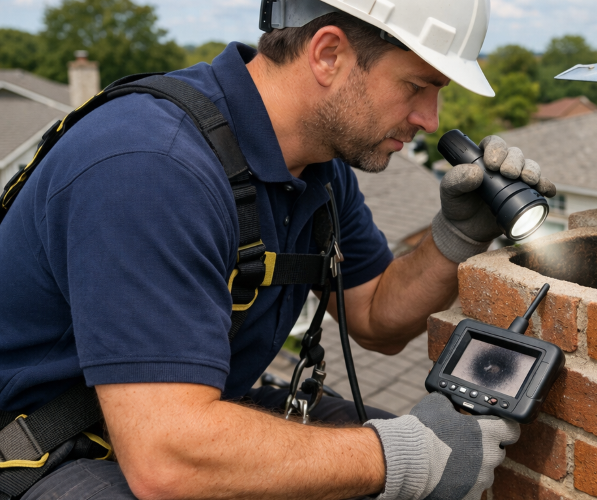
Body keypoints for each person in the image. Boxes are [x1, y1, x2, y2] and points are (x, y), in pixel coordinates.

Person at [0, 0, 557, 498]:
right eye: (417, 86)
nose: (430, 119)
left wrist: (454, 238)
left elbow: (374, 319)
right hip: (43, 449)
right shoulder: (151, 165)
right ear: (328, 54)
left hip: (177, 418)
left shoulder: (319, 168)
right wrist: (405, 456)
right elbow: (168, 461)